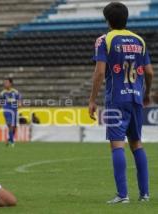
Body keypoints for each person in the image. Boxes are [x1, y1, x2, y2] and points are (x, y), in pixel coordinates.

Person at [89, 2, 154, 204]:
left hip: (116, 98)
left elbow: (100, 72)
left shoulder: (104, 40)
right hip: (135, 97)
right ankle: (144, 194)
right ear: (126, 18)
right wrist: (146, 93)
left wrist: (92, 100)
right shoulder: (139, 40)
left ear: (107, 20)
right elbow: (150, 72)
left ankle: (122, 195)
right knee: (136, 143)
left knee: (117, 144)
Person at [0, 78, 21, 147]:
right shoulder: (2, 93)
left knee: (14, 126)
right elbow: (0, 103)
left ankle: (10, 139)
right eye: (4, 82)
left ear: (11, 83)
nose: (5, 84)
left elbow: (19, 100)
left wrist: (19, 103)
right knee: (10, 125)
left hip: (14, 110)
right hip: (7, 111)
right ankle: (12, 142)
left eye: (7, 82)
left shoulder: (15, 92)